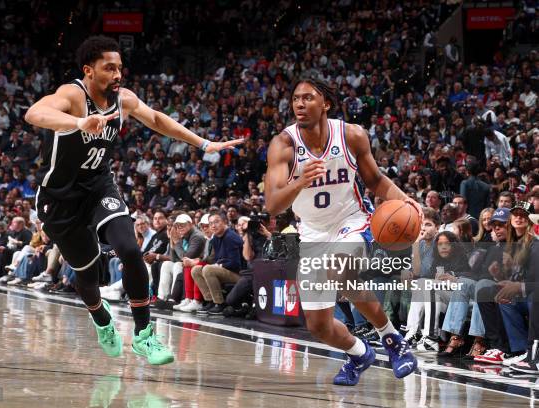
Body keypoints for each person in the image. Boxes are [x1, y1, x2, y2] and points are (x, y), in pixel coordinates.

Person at [24, 36, 242, 364]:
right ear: (89, 71)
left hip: (99, 187)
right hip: (59, 198)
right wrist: (79, 123)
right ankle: (101, 319)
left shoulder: (123, 99)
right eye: (109, 68)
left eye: (119, 68)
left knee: (129, 249)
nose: (117, 74)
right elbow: (35, 113)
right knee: (87, 274)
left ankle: (144, 335)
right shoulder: (73, 95)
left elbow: (155, 119)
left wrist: (203, 143)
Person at [264, 78, 419, 386]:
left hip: (351, 220)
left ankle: (392, 340)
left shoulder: (351, 135)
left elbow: (375, 181)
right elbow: (272, 204)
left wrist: (404, 200)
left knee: (340, 270)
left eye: (309, 97)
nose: (300, 103)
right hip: (310, 233)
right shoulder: (283, 144)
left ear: (326, 104)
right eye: (296, 98)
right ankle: (360, 353)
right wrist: (299, 182)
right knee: (319, 326)